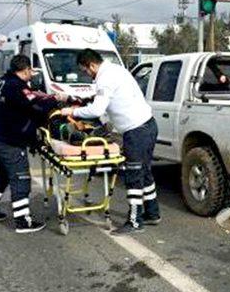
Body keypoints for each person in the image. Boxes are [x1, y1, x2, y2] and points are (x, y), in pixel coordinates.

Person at [58, 49, 160, 234]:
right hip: (148, 126)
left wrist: (72, 112)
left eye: (85, 70)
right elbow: (102, 101)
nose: (87, 75)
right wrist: (77, 101)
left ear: (92, 65)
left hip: (136, 131)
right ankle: (152, 213)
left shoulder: (106, 77)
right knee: (145, 172)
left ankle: (135, 222)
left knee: (134, 175)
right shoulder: (115, 70)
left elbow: (97, 110)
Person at [0, 54, 58, 233]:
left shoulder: (3, 81)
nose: (32, 73)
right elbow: (34, 108)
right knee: (21, 178)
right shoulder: (16, 86)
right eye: (30, 70)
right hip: (11, 141)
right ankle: (23, 221)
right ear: (25, 70)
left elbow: (24, 101)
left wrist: (38, 96)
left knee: (2, 176)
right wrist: (54, 100)